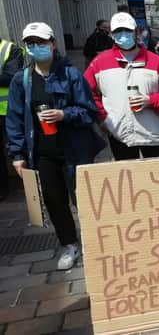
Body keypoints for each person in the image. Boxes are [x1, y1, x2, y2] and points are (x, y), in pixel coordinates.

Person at [6, 22, 104, 270]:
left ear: (53, 44)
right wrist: (17, 154)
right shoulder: (22, 80)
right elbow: (15, 118)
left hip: (74, 149)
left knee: (84, 199)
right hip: (43, 152)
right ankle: (69, 244)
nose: (36, 47)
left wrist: (64, 114)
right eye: (31, 43)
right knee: (54, 201)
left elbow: (89, 112)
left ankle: (95, 244)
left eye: (41, 42)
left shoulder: (71, 75)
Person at [84, 12, 159, 160]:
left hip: (152, 135)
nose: (123, 35)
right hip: (119, 135)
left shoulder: (155, 61)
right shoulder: (99, 62)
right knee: (127, 182)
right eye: (118, 31)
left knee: (156, 180)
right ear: (111, 34)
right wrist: (103, 118)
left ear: (136, 32)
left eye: (127, 30)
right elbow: (87, 92)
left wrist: (150, 100)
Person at [0, 33, 24, 200]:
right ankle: (3, 189)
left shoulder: (10, 49)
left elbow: (11, 76)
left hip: (7, 110)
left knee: (18, 147)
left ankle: (28, 182)